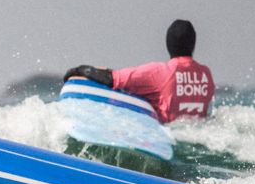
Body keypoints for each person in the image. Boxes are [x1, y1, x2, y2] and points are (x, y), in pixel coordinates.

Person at [64, 19, 216, 123]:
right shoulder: (206, 75)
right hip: (194, 135)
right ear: (193, 44)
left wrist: (79, 70)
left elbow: (113, 79)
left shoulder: (160, 72)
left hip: (167, 134)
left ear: (168, 44)